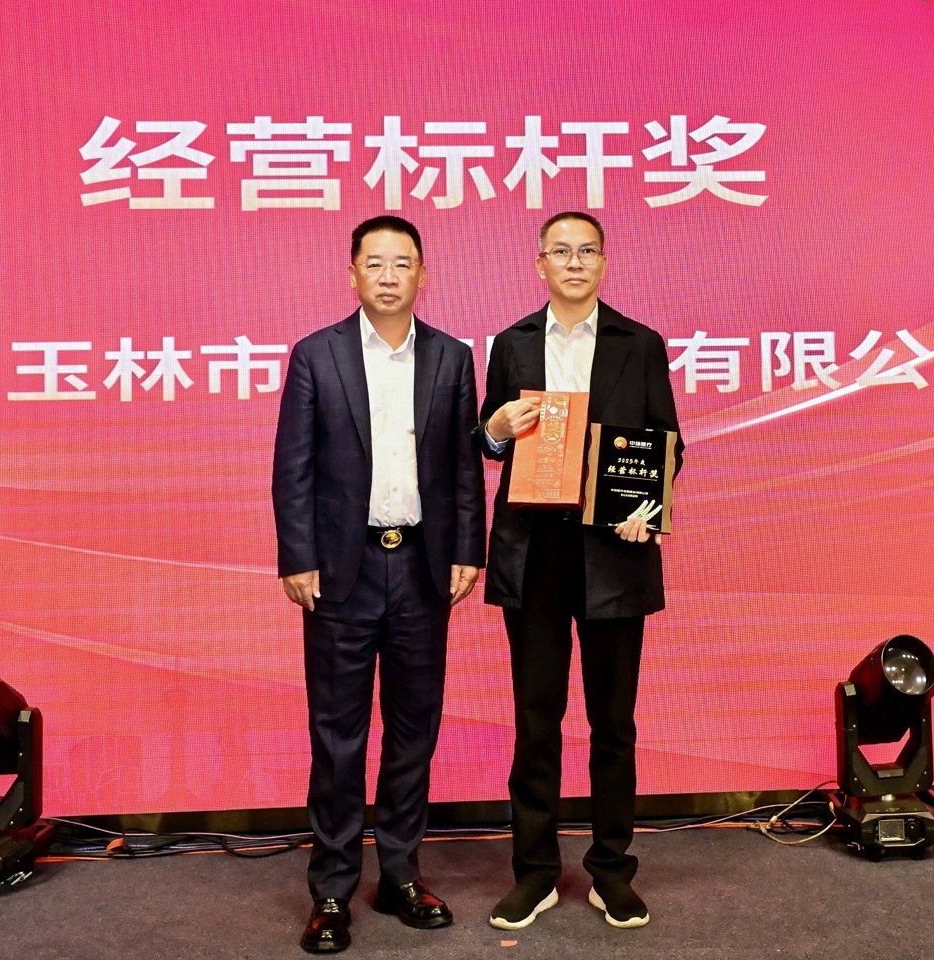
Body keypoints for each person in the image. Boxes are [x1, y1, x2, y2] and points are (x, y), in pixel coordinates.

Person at [272, 215, 485, 954]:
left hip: (423, 567)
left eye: (403, 263)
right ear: (353, 274)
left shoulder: (452, 357)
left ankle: (399, 874)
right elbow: (293, 467)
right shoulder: (317, 355)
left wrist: (466, 549)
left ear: (423, 274)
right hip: (342, 572)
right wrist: (297, 557)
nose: (389, 275)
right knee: (337, 736)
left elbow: (463, 469)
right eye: (376, 262)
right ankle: (332, 890)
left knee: (412, 730)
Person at [477, 211, 683, 932]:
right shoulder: (512, 343)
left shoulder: (639, 344)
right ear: (539, 264)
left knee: (612, 723)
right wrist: (495, 430)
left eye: (585, 250)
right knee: (536, 720)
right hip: (534, 551)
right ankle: (534, 872)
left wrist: (647, 505)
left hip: (614, 552)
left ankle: (611, 870)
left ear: (603, 262)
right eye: (559, 251)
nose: (572, 262)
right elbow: (486, 437)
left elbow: (666, 444)